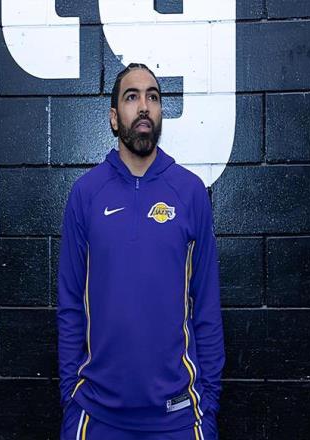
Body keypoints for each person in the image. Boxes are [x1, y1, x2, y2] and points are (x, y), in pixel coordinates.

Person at [57, 63, 225, 440]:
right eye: (131, 97)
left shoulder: (190, 192)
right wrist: (71, 396)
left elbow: (207, 306)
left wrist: (209, 402)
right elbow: (70, 304)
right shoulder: (86, 194)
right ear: (114, 118)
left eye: (153, 97)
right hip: (97, 415)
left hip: (178, 417)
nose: (144, 106)